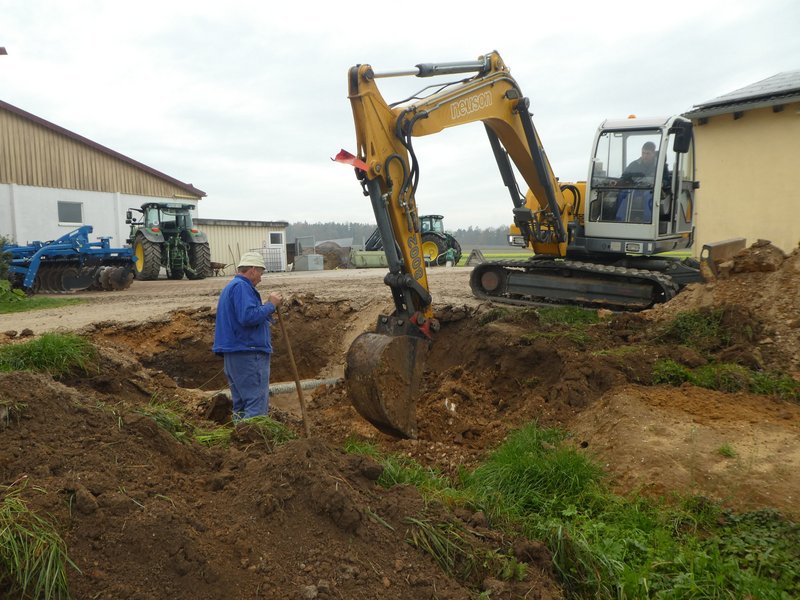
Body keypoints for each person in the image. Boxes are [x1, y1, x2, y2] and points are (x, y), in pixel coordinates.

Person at [213, 251, 283, 421]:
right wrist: (271, 305)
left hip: (235, 354)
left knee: (242, 405)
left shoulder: (232, 287)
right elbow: (248, 316)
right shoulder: (242, 287)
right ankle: (255, 444)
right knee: (255, 405)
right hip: (248, 354)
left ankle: (241, 441)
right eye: (260, 272)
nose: (260, 278)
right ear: (252, 270)